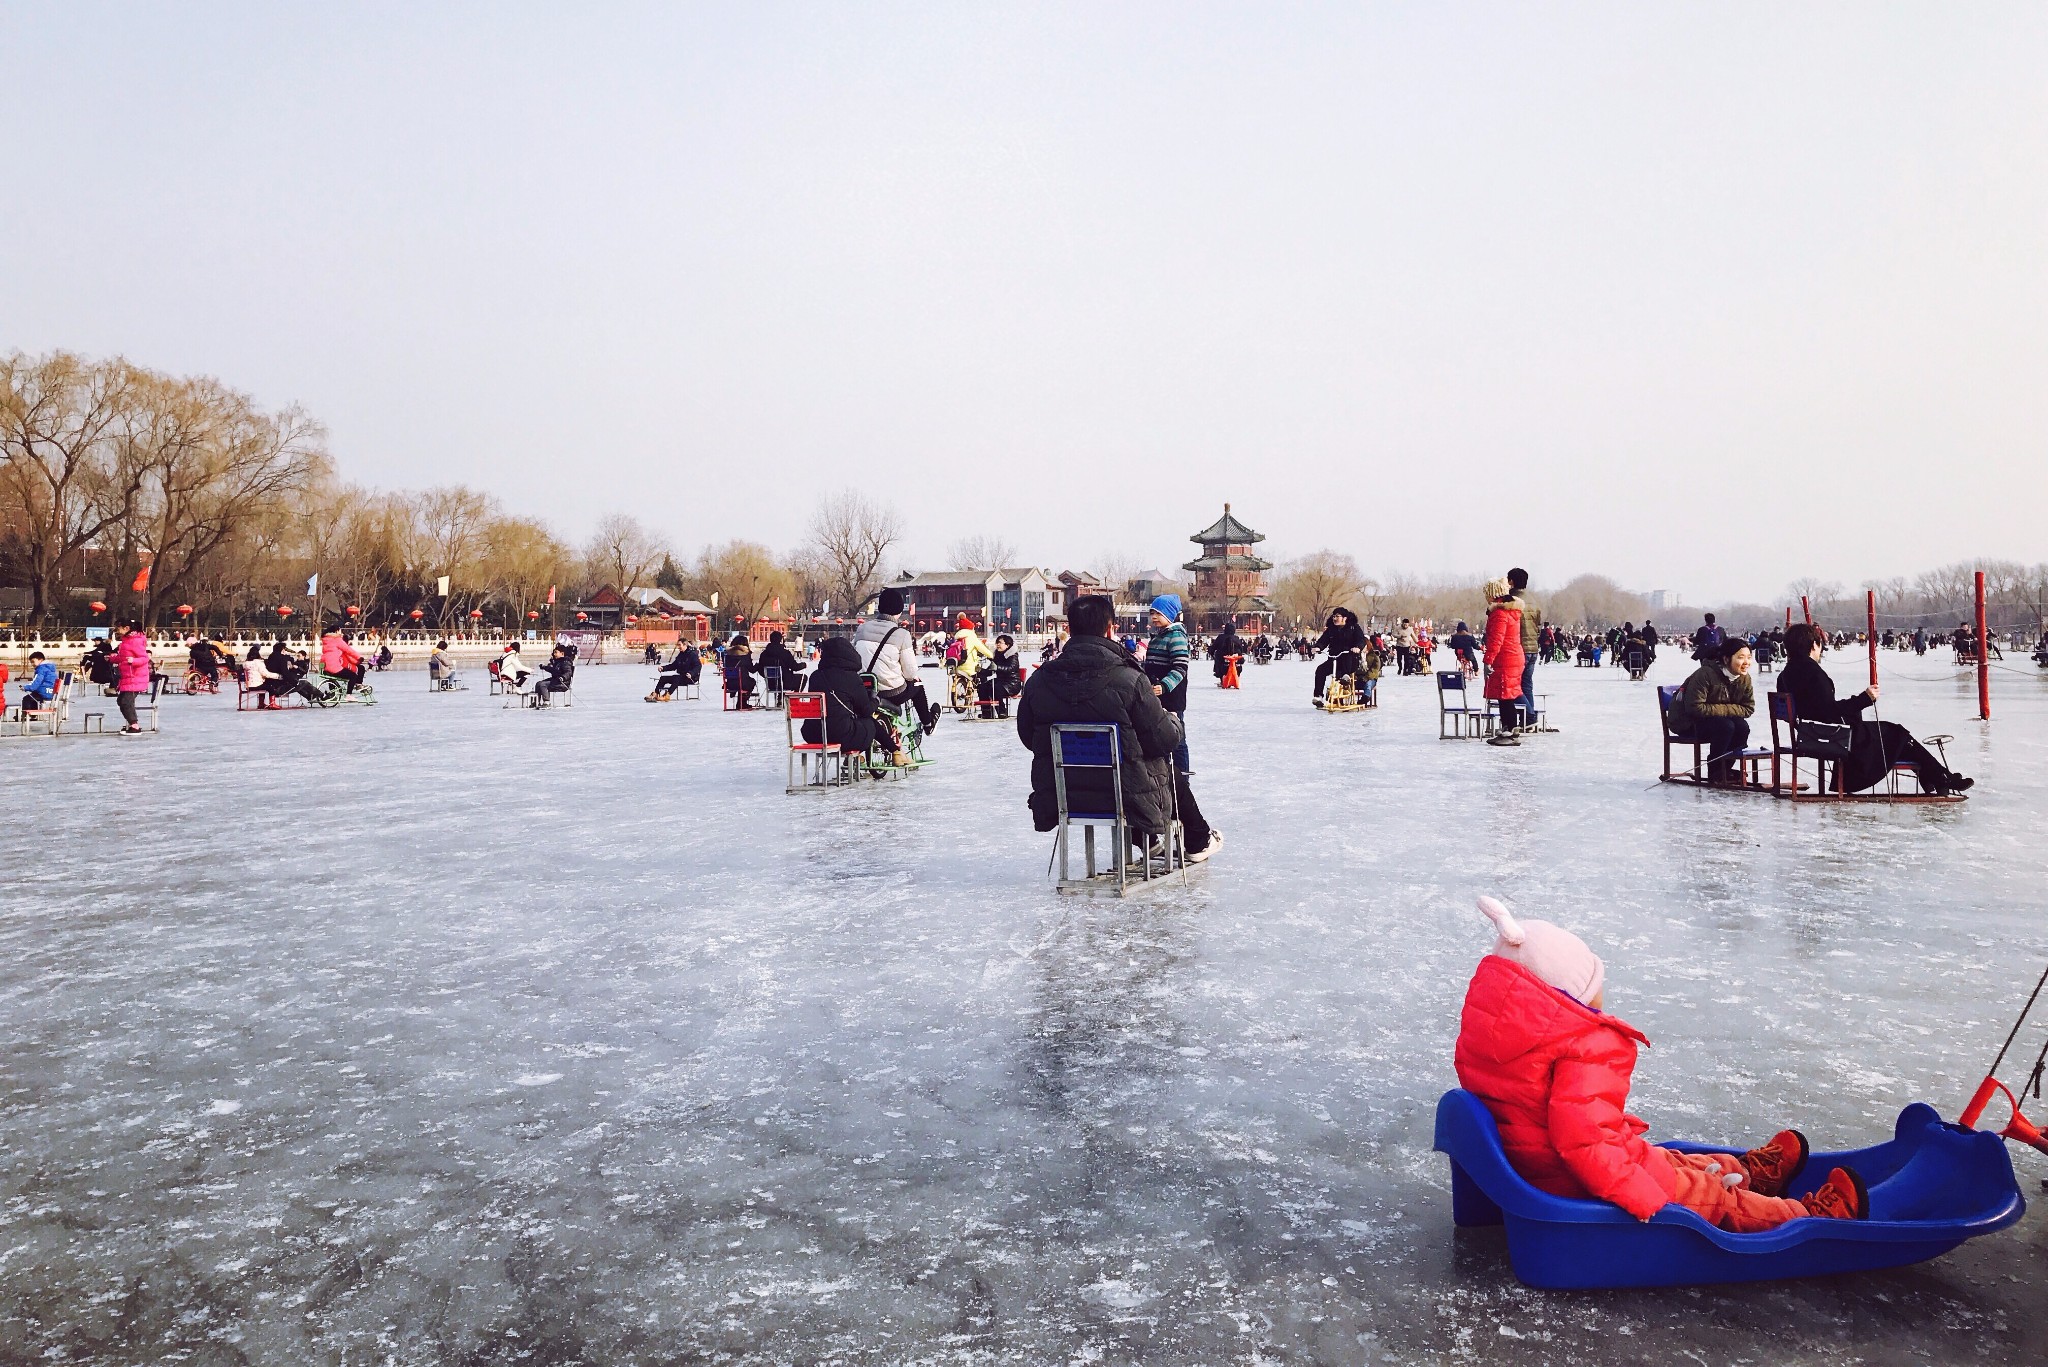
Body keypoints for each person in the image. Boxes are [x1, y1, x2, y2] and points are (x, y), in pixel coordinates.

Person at [1456, 895, 1869, 1230]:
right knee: (1707, 1199)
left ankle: (1744, 1172)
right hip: (1579, 1181)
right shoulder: (1580, 1045)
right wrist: (1648, 1199)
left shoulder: (1497, 1038)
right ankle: (1805, 1221)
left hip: (1545, 1166)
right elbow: (1584, 1144)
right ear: (1569, 997)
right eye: (1595, 985)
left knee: (1668, 1161)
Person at [1017, 595, 1221, 864]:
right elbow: (1162, 739)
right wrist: (1173, 721)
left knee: (1132, 764)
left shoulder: (1039, 680)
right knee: (1163, 771)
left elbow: (1028, 735)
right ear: (1111, 628)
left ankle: (1147, 841)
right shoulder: (1130, 679)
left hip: (1062, 791)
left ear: (1070, 628)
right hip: (1125, 796)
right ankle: (1197, 839)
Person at [1776, 623, 1973, 796]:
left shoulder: (1785, 674)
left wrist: (1857, 702)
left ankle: (1936, 776)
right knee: (1898, 733)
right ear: (1813, 645)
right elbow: (1828, 711)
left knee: (1897, 735)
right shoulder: (1813, 673)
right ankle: (1940, 777)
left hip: (1811, 732)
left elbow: (1818, 708)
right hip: (1831, 735)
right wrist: (1864, 699)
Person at [1666, 637, 1756, 784]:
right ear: (1726, 659)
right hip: (1688, 723)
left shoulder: (1744, 679)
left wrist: (1723, 711)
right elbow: (1695, 707)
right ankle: (1715, 770)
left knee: (1742, 727)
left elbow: (1748, 708)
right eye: (1741, 658)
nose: (1746, 662)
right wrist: (1728, 710)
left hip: (1716, 721)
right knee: (1726, 726)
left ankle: (1725, 768)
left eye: (1749, 658)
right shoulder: (1705, 674)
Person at [853, 588, 940, 734]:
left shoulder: (862, 629)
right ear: (899, 611)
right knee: (917, 685)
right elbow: (910, 672)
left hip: (864, 690)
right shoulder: (901, 634)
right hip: (890, 692)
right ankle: (928, 724)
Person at [802, 636, 890, 761]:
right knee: (870, 723)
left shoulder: (815, 676)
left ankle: (891, 752)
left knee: (842, 722)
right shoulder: (851, 678)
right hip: (841, 736)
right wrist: (876, 701)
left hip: (813, 734)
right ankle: (895, 751)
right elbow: (866, 710)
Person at [1143, 595, 1193, 770]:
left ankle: (1182, 774)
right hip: (1157, 695)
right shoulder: (1159, 637)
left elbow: (1180, 668)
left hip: (1171, 696)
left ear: (1170, 614)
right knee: (1159, 735)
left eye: (1159, 613)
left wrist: (1164, 686)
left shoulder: (1176, 636)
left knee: (1176, 736)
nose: (1154, 617)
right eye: (1152, 613)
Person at [1481, 579, 1525, 746]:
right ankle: (1510, 727)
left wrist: (1488, 661)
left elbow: (1496, 640)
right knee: (1506, 695)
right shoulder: (1512, 611)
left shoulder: (1499, 614)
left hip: (1505, 658)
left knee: (1505, 695)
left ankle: (1510, 728)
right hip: (1513, 656)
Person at [1309, 607, 1367, 708]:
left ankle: (1346, 676)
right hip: (1334, 659)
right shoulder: (1331, 629)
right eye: (1334, 616)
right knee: (1320, 670)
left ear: (1344, 618)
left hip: (1350, 660)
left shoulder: (1354, 627)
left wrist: (1357, 647)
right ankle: (1318, 696)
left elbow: (1361, 640)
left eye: (1337, 616)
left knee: (1346, 656)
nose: (1335, 618)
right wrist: (1318, 647)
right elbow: (1323, 640)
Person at [1505, 568, 1541, 718]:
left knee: (1513, 686)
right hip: (1533, 649)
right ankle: (1527, 720)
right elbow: (1537, 626)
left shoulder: (1511, 601)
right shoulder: (1533, 601)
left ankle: (1530, 716)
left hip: (1519, 649)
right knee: (1527, 685)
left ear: (1511, 581)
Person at [112, 621, 152, 734]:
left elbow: (144, 658)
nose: (117, 630)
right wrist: (112, 658)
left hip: (136, 677)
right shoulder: (127, 640)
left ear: (126, 628)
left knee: (126, 701)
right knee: (121, 700)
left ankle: (135, 726)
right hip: (128, 677)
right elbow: (123, 657)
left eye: (119, 628)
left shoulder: (136, 641)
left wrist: (134, 661)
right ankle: (131, 724)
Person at [987, 633, 1025, 721]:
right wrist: (980, 671)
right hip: (1000, 681)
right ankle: (987, 712)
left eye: (1000, 643)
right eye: (997, 643)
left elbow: (1011, 668)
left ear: (1007, 645)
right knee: (983, 686)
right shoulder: (997, 655)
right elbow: (991, 670)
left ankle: (1002, 712)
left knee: (996, 688)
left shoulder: (1013, 656)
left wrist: (997, 667)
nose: (998, 645)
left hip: (1012, 683)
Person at [756, 630, 804, 698]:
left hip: (771, 683)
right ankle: (793, 698)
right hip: (786, 682)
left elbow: (760, 668)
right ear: (780, 640)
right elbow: (794, 667)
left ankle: (780, 698)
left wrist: (767, 676)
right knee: (803, 678)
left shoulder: (764, 654)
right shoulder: (785, 653)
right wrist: (803, 665)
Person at [321, 627, 365, 691]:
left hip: (326, 667)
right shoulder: (337, 640)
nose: (341, 633)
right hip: (336, 666)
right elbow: (348, 651)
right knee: (354, 675)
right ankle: (350, 693)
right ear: (336, 631)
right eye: (340, 631)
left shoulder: (326, 641)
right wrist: (359, 658)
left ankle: (333, 689)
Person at [723, 634, 758, 709]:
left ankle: (740, 703)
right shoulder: (745, 655)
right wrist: (758, 665)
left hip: (730, 684)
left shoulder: (728, 655)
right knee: (751, 681)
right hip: (743, 683)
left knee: (741, 679)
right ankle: (742, 703)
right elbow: (751, 670)